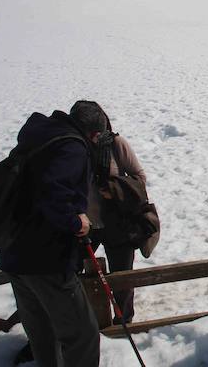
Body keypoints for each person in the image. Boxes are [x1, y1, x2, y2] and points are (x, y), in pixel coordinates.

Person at [0, 102, 103, 367]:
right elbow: (53, 194)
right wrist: (76, 222)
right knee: (82, 335)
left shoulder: (41, 136)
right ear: (91, 132)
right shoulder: (71, 147)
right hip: (47, 258)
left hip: (13, 251)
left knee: (42, 333)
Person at [79, 101, 147, 325]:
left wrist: (114, 189)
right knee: (74, 276)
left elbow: (140, 178)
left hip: (118, 223)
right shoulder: (72, 148)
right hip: (83, 226)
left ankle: (123, 322)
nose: (94, 136)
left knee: (121, 280)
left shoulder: (116, 144)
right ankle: (87, 322)